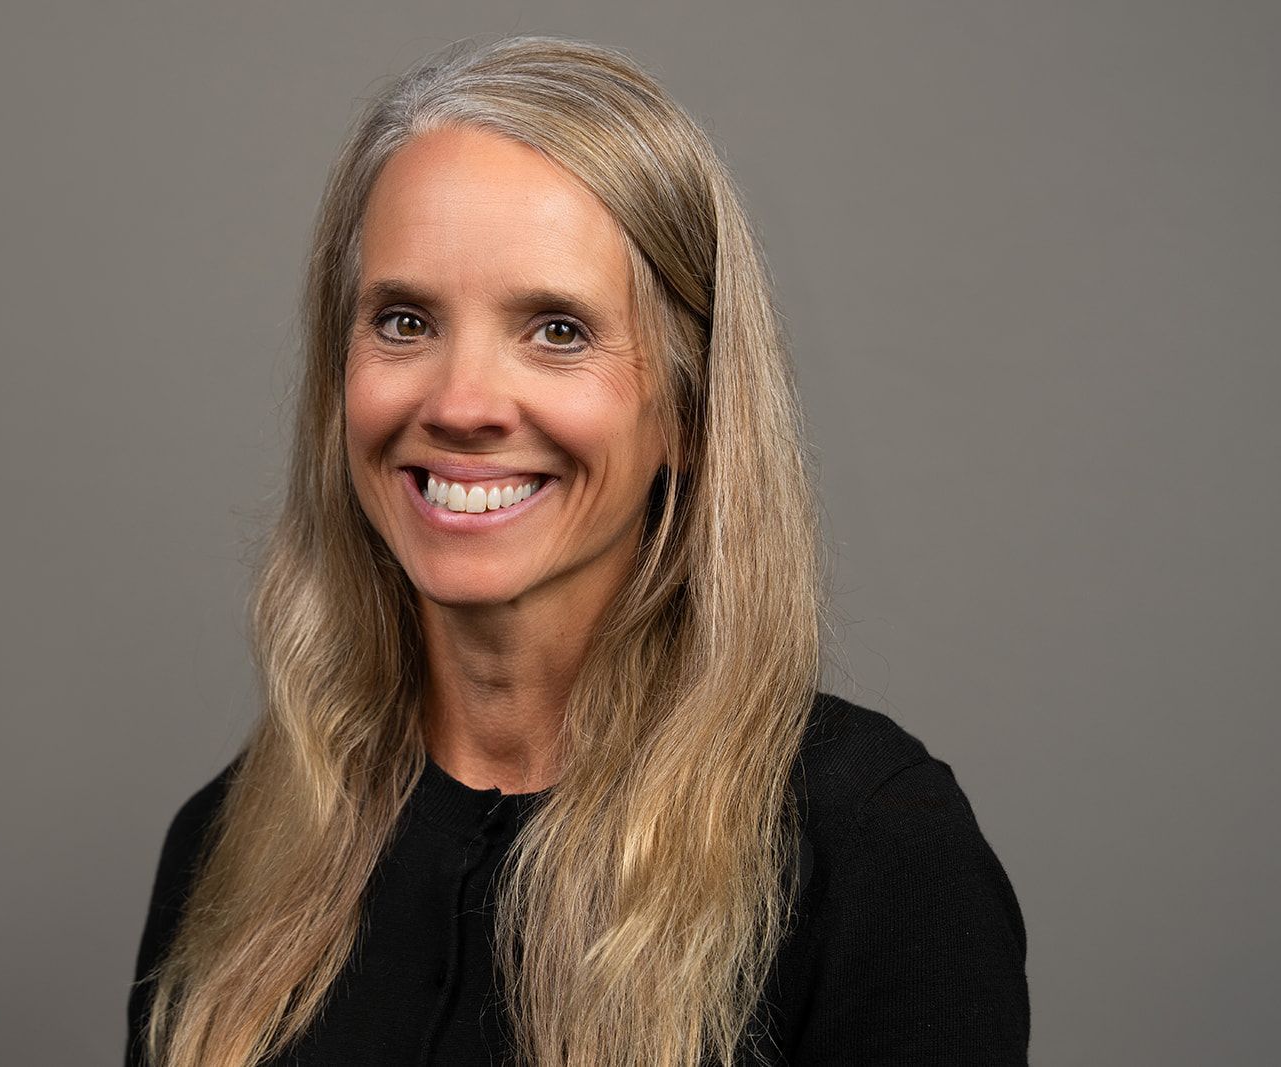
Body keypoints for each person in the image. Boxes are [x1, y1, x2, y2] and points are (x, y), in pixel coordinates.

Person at [127, 34, 1029, 1067]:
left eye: (555, 328)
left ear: (688, 410)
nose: (461, 403)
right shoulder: (233, 844)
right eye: (405, 320)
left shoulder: (871, 851)